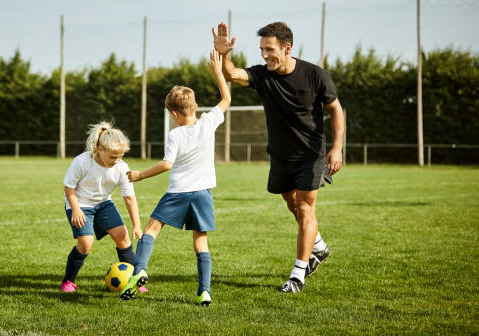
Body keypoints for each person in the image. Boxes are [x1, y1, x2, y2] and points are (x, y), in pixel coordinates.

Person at [212, 21, 344, 293]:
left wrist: (337, 147)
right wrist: (224, 53)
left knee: (306, 208)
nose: (264, 55)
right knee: (291, 201)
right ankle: (318, 246)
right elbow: (233, 74)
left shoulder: (316, 75)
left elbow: (336, 110)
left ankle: (297, 276)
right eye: (261, 49)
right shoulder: (263, 75)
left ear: (287, 48)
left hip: (311, 153)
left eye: (269, 49)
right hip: (281, 155)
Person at [120, 49, 231, 306]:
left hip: (178, 192)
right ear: (195, 106)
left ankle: (139, 271)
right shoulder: (208, 122)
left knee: (151, 229)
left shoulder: (175, 135)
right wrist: (217, 70)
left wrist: (140, 175)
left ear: (174, 114)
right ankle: (205, 292)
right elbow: (226, 97)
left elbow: (167, 164)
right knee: (200, 242)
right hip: (203, 193)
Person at [60, 122, 144, 293]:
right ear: (99, 149)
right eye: (113, 156)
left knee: (123, 237)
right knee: (85, 244)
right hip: (79, 203)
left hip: (103, 204)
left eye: (120, 156)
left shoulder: (121, 168)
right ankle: (68, 282)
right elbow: (69, 187)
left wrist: (137, 224)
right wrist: (76, 209)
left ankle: (133, 281)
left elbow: (129, 197)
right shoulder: (82, 162)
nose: (117, 160)